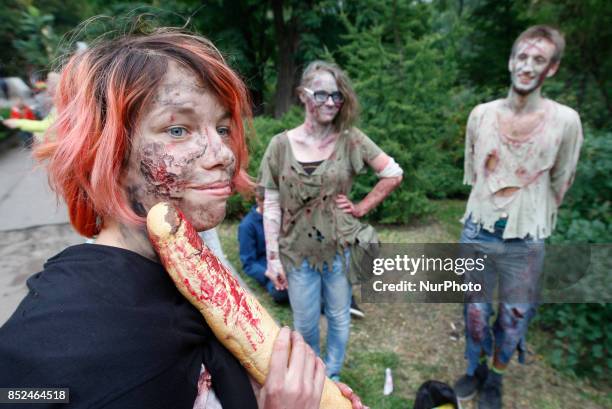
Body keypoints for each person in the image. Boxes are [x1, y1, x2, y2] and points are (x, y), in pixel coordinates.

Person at [0, 30, 367, 409]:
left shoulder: (192, 258)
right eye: (178, 129)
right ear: (108, 156)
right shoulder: (50, 346)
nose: (223, 153)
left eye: (223, 128)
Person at [454, 25, 583, 409]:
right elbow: (475, 174)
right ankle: (475, 368)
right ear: (511, 61)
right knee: (475, 311)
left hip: (526, 239)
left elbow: (562, 180)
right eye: (522, 57)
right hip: (478, 230)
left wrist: (530, 213)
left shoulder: (566, 121)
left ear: (552, 68)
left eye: (538, 60)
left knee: (514, 317)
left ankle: (496, 376)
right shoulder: (481, 115)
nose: (527, 67)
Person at [259, 60, 403, 381]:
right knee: (305, 321)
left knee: (338, 315)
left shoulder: (351, 139)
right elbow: (270, 204)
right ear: (302, 96)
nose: (331, 103)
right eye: (322, 95)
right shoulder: (280, 146)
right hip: (296, 249)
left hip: (339, 245)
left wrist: (362, 206)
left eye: (337, 97)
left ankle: (332, 375)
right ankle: (312, 375)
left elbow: (393, 173)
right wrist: (272, 259)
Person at [238, 191, 289, 303]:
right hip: (269, 269)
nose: (272, 207)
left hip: (288, 263)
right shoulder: (247, 226)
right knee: (280, 293)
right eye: (267, 202)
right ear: (257, 199)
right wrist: (270, 274)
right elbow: (248, 263)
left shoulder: (282, 214)